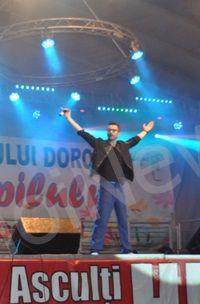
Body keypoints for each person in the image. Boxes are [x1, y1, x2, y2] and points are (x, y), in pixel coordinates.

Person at [62, 108, 154, 254]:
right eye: (109, 130)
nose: (111, 132)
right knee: (103, 218)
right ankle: (95, 248)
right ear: (107, 132)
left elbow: (136, 139)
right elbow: (82, 133)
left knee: (123, 219)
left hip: (119, 185)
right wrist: (69, 118)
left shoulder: (123, 145)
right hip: (106, 184)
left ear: (118, 133)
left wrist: (145, 131)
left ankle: (126, 249)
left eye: (114, 130)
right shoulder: (100, 144)